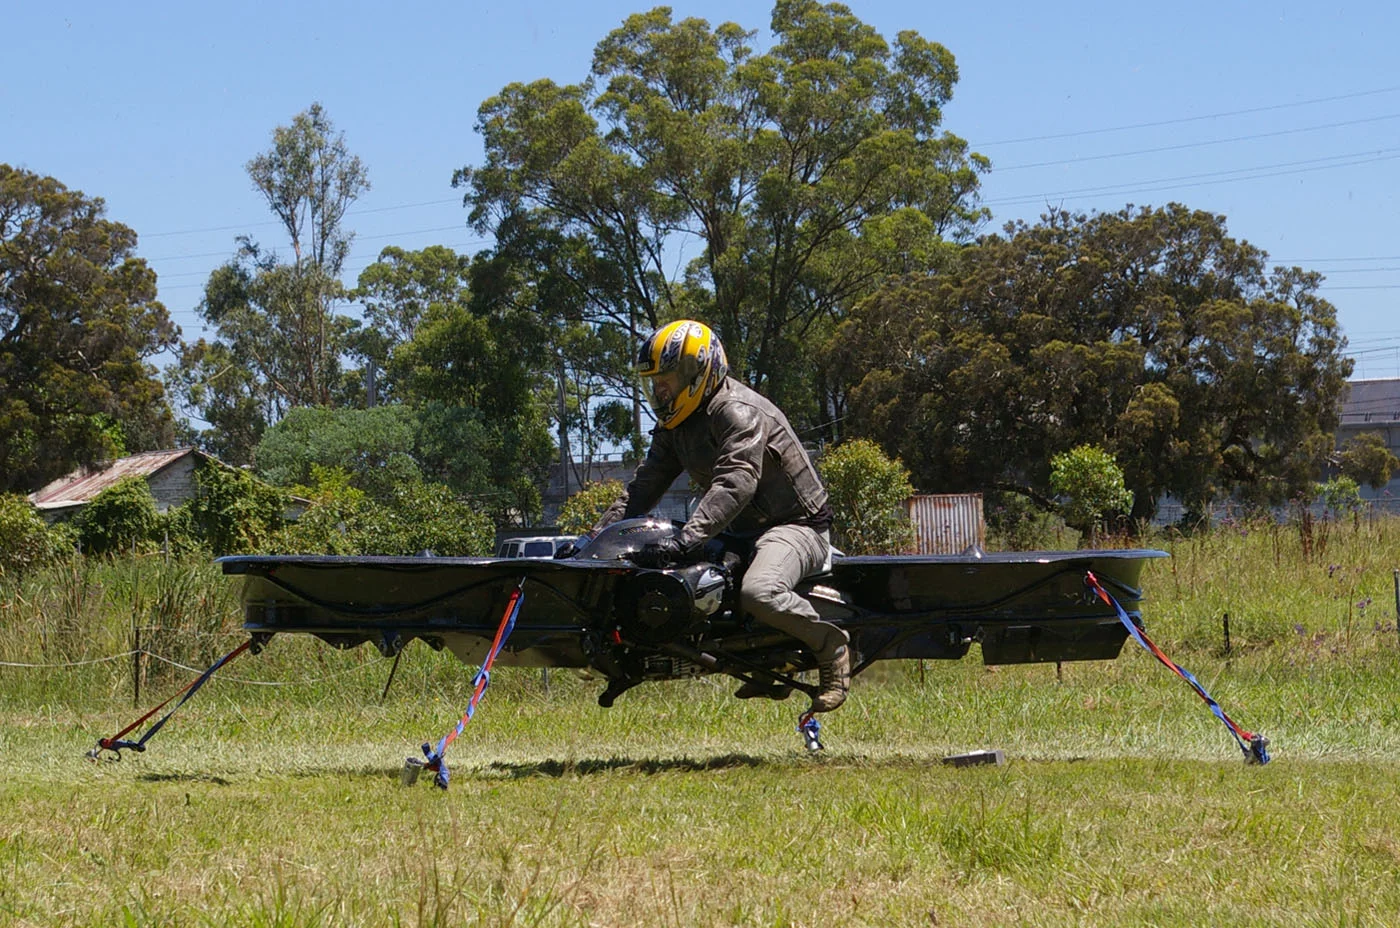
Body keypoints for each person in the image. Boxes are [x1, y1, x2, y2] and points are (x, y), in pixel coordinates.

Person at [591, 319, 850, 713]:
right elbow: (642, 488)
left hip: (796, 526)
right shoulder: (675, 424)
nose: (660, 391)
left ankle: (832, 647)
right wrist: (592, 542)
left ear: (699, 372)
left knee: (758, 593)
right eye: (654, 382)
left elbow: (736, 483)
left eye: (668, 380)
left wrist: (684, 541)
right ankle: (766, 662)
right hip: (740, 531)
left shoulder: (736, 411)